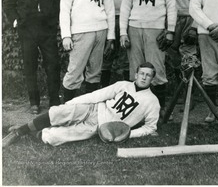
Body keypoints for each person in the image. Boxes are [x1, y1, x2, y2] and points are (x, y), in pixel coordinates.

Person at [3, 62, 160, 147]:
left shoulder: (152, 102)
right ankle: (19, 132)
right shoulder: (123, 84)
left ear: (152, 79)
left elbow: (150, 128)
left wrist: (126, 134)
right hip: (92, 109)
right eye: (142, 74)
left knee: (54, 137)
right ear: (136, 74)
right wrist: (72, 103)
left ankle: (33, 131)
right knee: (58, 112)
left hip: (100, 127)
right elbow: (97, 95)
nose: (144, 77)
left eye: (148, 75)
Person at [4, 0, 61, 114]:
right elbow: (8, 4)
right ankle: (34, 102)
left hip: (47, 30)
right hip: (27, 30)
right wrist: (16, 22)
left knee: (53, 64)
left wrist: (53, 24)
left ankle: (54, 102)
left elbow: (57, 4)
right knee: (30, 66)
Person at [119, 0, 177, 115]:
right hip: (134, 27)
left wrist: (170, 30)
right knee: (135, 69)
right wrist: (123, 32)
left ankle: (159, 109)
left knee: (157, 68)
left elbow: (171, 6)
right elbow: (125, 7)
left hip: (156, 28)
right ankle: (136, 108)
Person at [60, 0, 115, 102]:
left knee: (95, 71)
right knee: (75, 70)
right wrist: (66, 36)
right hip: (81, 32)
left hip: (100, 30)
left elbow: (110, 12)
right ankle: (67, 106)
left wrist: (111, 37)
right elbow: (64, 11)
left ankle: (89, 106)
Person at [166, 0, 202, 99]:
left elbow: (200, 4)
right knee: (172, 52)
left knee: (188, 52)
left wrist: (195, 25)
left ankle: (189, 90)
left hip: (189, 16)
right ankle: (179, 88)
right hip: (173, 16)